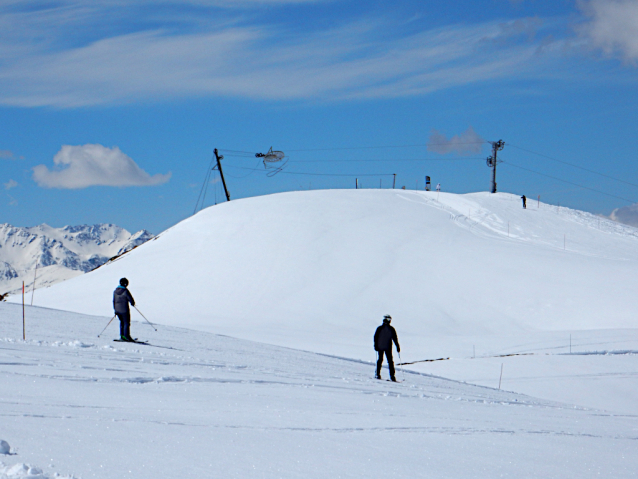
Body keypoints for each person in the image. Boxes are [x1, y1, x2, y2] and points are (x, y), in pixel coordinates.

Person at [374, 315, 400, 381]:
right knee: (390, 361)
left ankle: (378, 374)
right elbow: (395, 338)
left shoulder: (380, 328)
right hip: (387, 347)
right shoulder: (391, 329)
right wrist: (397, 346)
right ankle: (392, 376)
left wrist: (376, 346)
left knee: (380, 360)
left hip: (381, 347)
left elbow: (375, 338)